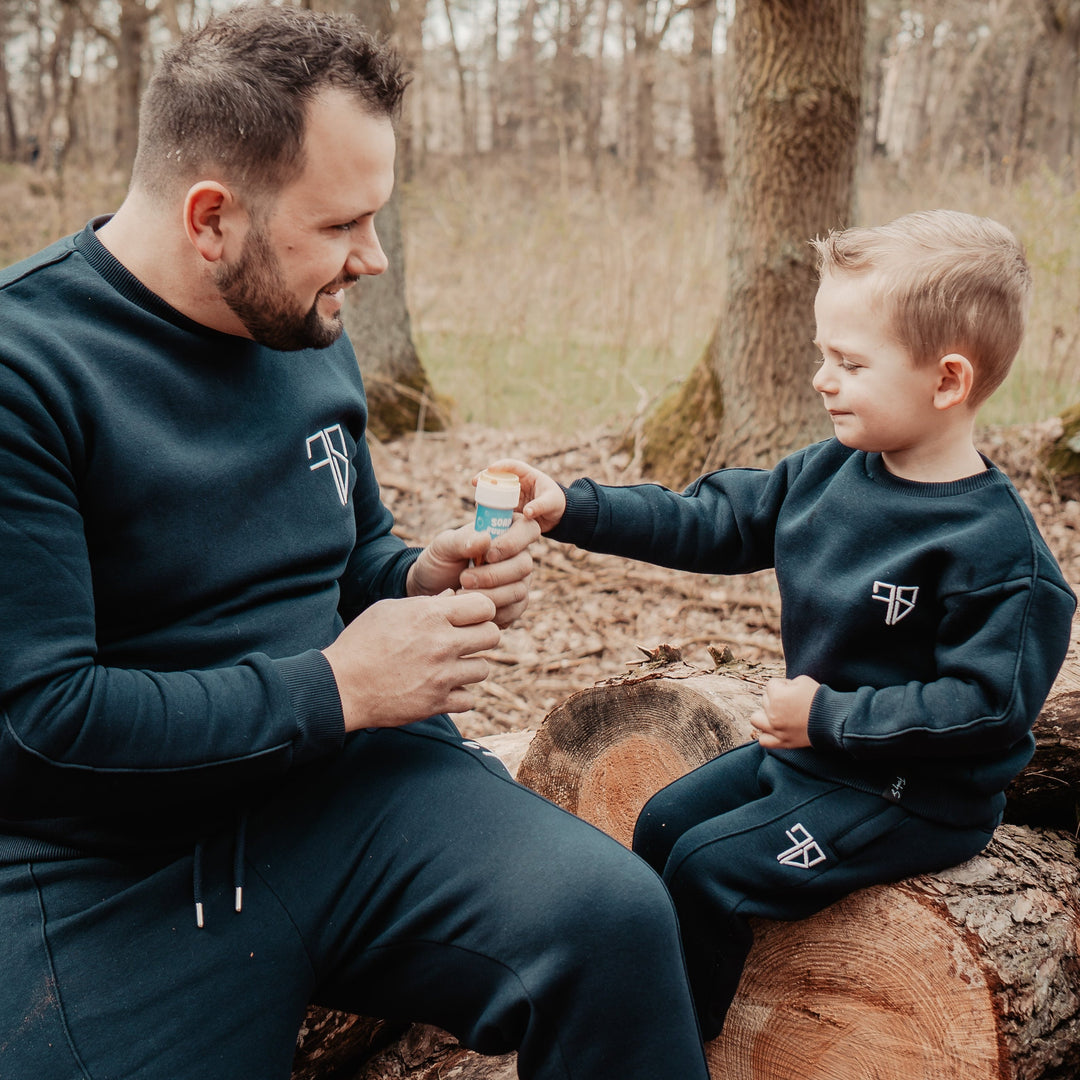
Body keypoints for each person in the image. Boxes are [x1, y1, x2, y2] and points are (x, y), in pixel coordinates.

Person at [0, 8, 713, 1079]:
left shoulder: (304, 324)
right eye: (341, 226)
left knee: (613, 921)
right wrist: (334, 686)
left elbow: (347, 557)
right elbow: (38, 731)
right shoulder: (27, 374)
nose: (370, 260)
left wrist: (420, 577)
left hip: (354, 787)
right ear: (211, 220)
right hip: (112, 866)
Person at [488, 209, 1077, 1040]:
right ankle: (631, 999)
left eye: (849, 362)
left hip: (913, 794)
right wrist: (575, 507)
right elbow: (712, 521)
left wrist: (826, 717)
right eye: (821, 356)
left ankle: (669, 1048)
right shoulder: (831, 472)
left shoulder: (995, 551)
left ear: (948, 381)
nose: (821, 380)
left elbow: (985, 708)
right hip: (811, 757)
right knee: (659, 821)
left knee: (705, 868)